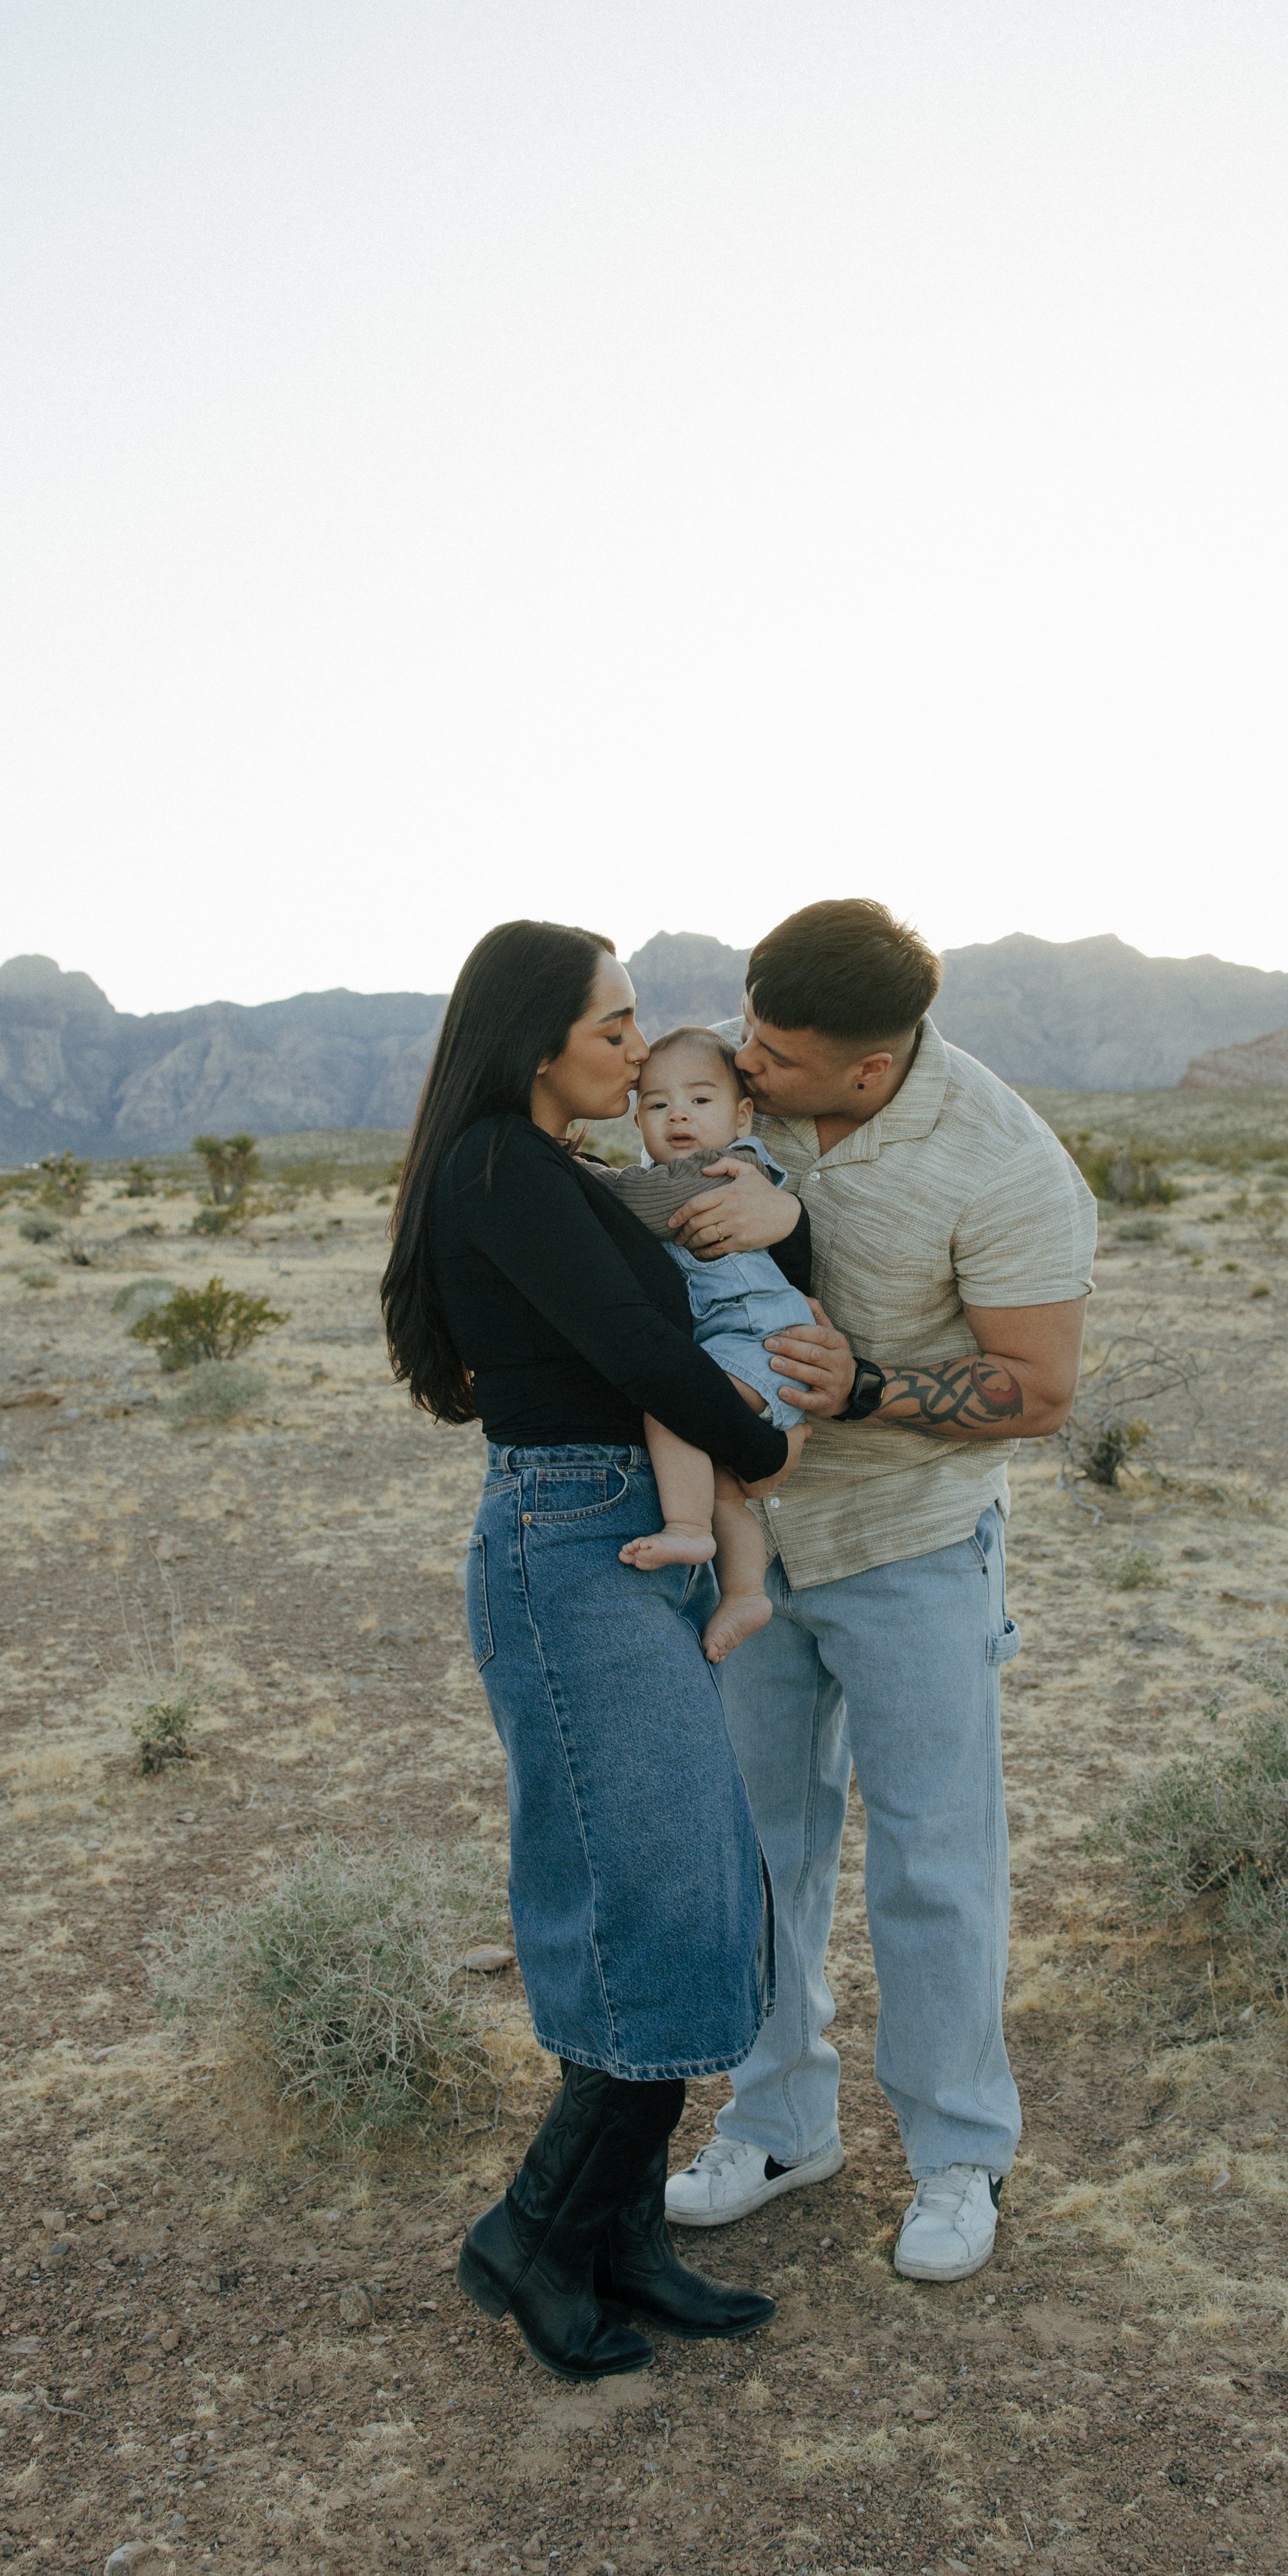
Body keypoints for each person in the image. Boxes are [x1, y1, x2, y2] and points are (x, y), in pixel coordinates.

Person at [380, 919, 815, 2380]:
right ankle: (533, 2237)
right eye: (616, 1028)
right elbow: (646, 1351)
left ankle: (622, 2239)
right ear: (536, 1038)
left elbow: (699, 1263)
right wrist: (761, 1442)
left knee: (674, 1891)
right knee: (665, 1898)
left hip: (626, 1538)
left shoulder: (544, 1170)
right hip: (573, 1547)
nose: (641, 1053)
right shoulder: (500, 1163)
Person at [658, 898, 1098, 2283]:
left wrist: (871, 1387)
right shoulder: (740, 1091)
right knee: (760, 1854)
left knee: (934, 1862)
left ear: (869, 1067)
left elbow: (1038, 1391)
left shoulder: (1007, 1165)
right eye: (745, 1027)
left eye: (775, 1053)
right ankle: (779, 2124)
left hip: (913, 1543)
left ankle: (959, 2155)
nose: (747, 1060)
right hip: (756, 1546)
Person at [594, 1026, 815, 1662]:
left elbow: (646, 1202)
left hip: (765, 1343)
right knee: (720, 1480)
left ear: (741, 1114)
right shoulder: (668, 1173)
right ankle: (746, 1590)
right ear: (638, 1119)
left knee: (674, 1402)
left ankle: (688, 1530)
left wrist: (574, 1177)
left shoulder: (732, 1166)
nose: (679, 1115)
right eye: (658, 1105)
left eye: (699, 1101)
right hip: (738, 1346)